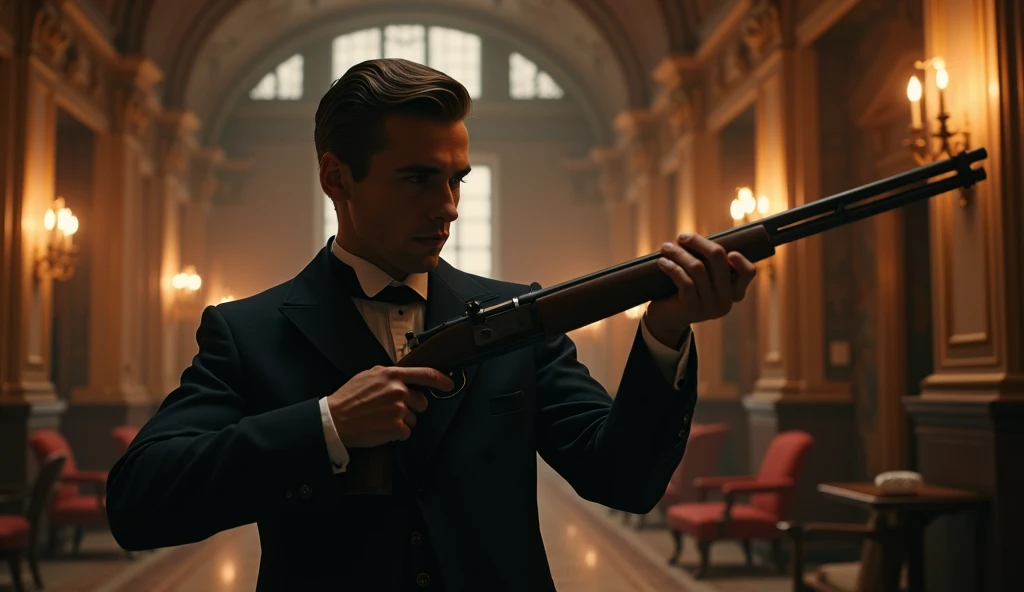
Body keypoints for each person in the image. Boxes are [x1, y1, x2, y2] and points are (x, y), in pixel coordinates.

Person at [105, 58, 757, 591]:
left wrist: (667, 330)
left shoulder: (518, 318)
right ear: (337, 177)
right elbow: (138, 503)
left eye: (455, 180)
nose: (446, 208)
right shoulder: (246, 330)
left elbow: (623, 480)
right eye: (417, 179)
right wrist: (326, 424)